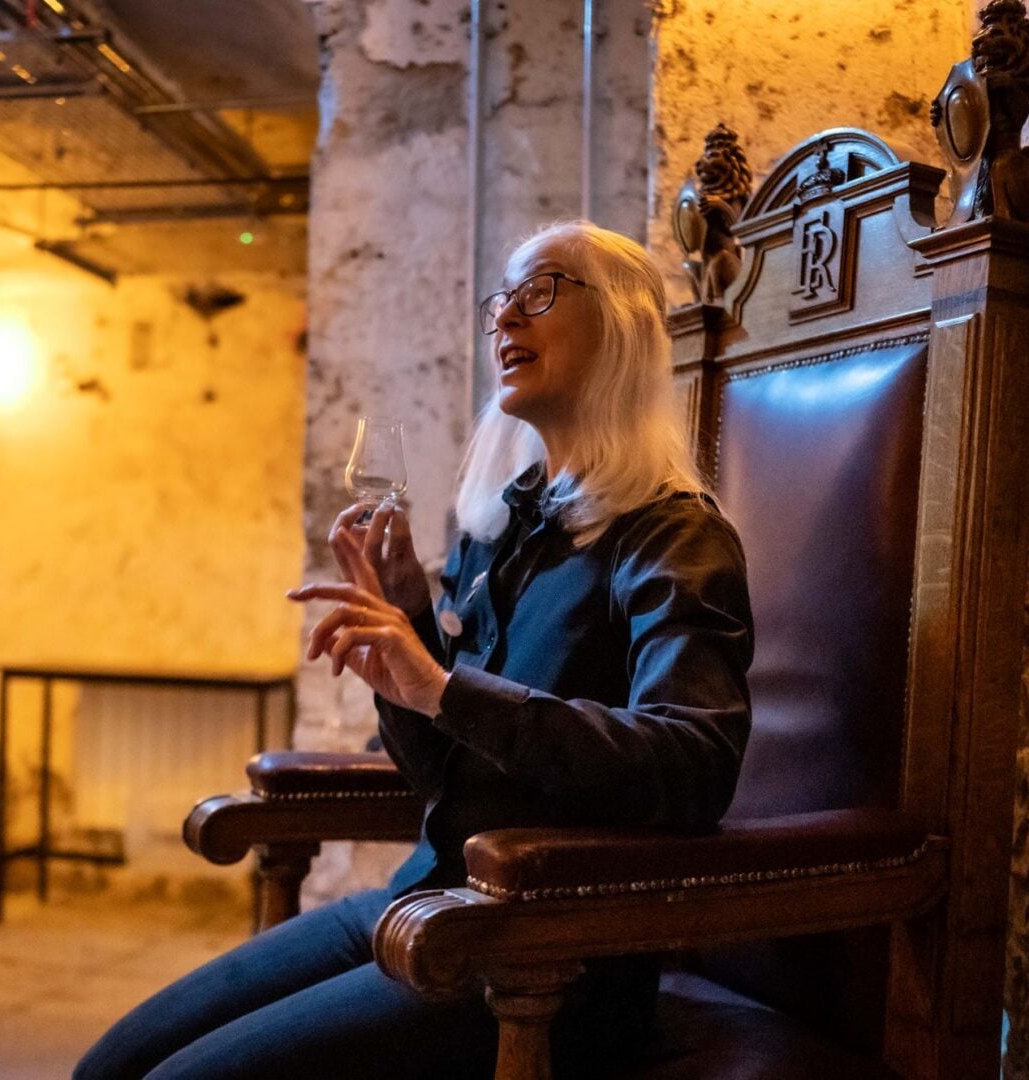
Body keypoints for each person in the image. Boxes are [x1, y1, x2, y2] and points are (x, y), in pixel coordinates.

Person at [72, 220, 754, 1080]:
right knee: (110, 1066)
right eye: (501, 299)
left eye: (540, 291)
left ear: (622, 325)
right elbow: (445, 777)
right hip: (427, 899)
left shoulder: (672, 537)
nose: (506, 318)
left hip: (542, 952)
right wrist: (406, 638)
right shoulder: (505, 524)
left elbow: (693, 767)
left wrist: (440, 685)